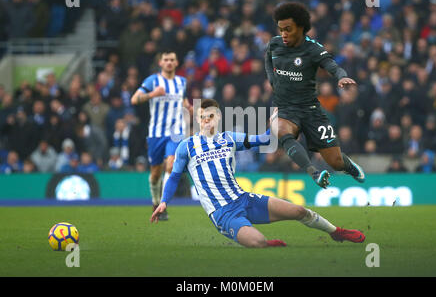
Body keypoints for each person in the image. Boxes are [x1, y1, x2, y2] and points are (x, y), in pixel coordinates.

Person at [151, 99, 365, 248]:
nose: (207, 120)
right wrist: (164, 201)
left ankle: (336, 232)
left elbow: (263, 140)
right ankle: (266, 244)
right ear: (198, 120)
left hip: (245, 199)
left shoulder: (229, 138)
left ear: (217, 118)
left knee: (299, 211)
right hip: (223, 214)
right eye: (203, 117)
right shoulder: (186, 147)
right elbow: (174, 176)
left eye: (211, 116)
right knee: (258, 243)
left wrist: (273, 122)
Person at [264, 2, 365, 188]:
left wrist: (342, 77)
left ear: (301, 28)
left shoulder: (313, 49)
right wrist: (272, 81)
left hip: (311, 111)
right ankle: (314, 173)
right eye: (280, 29)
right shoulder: (274, 44)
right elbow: (268, 61)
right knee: (280, 130)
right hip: (286, 108)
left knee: (335, 161)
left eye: (288, 29)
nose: (283, 34)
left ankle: (349, 166)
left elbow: (333, 66)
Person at [131, 50, 192, 220]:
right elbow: (134, 99)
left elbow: (184, 102)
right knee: (155, 174)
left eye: (172, 59)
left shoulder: (181, 82)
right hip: (156, 133)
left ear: (177, 62)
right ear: (160, 63)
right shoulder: (152, 81)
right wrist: (152, 94)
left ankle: (163, 205)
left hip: (175, 132)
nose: (169, 62)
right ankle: (155, 201)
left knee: (171, 164)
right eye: (166, 60)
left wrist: (192, 109)